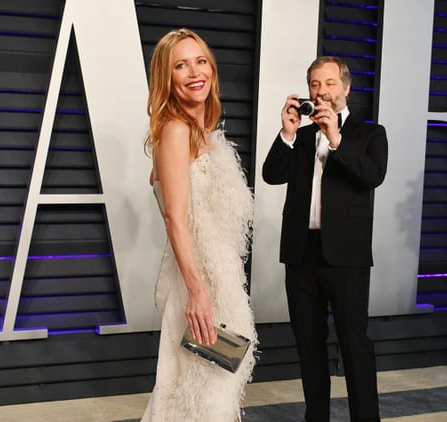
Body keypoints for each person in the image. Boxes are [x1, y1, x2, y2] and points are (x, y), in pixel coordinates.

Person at [262, 56, 387, 422]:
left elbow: (372, 176)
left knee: (354, 345)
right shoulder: (300, 136)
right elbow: (271, 174)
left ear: (346, 88)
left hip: (346, 257)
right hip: (301, 255)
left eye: (330, 83)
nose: (322, 91)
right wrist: (287, 132)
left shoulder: (369, 133)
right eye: (315, 84)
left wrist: (336, 139)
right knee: (309, 347)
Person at [141, 28, 257, 422]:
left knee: (207, 395)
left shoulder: (206, 135)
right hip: (195, 287)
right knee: (193, 397)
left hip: (218, 283)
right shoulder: (173, 130)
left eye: (201, 61)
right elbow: (175, 217)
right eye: (181, 65)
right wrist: (197, 292)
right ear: (167, 77)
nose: (195, 72)